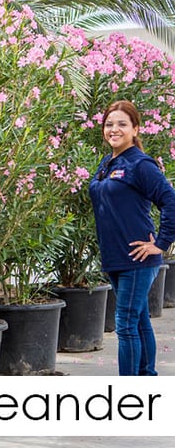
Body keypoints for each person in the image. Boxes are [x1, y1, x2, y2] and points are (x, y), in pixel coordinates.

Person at [89, 100, 175, 376]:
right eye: (109, 124)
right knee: (138, 321)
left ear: (135, 129)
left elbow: (170, 201)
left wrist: (160, 243)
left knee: (125, 325)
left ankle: (128, 394)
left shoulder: (140, 165)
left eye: (122, 124)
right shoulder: (109, 162)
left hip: (137, 258)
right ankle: (147, 379)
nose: (114, 129)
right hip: (114, 257)